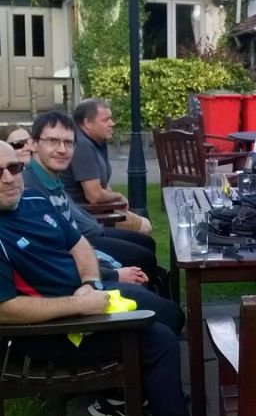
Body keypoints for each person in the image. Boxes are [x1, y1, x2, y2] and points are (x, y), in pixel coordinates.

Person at [0, 140, 191, 416]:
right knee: (161, 340)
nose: (8, 178)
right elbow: (5, 309)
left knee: (169, 315)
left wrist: (90, 284)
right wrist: (78, 306)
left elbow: (78, 244)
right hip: (47, 331)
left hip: (87, 297)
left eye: (13, 168)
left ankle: (136, 393)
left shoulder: (33, 198)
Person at [23, 111, 164, 289]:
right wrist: (112, 273)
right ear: (33, 144)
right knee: (144, 261)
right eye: (52, 141)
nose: (61, 149)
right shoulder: (30, 191)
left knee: (145, 246)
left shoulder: (51, 178)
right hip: (71, 280)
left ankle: (154, 289)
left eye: (68, 143)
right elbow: (51, 254)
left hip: (81, 246)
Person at [61, 98, 152, 235]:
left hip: (97, 211)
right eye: (105, 120)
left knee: (143, 226)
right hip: (87, 216)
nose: (112, 123)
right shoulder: (82, 146)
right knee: (145, 226)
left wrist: (113, 198)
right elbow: (95, 195)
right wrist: (118, 197)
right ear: (87, 123)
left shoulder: (95, 141)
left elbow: (102, 185)